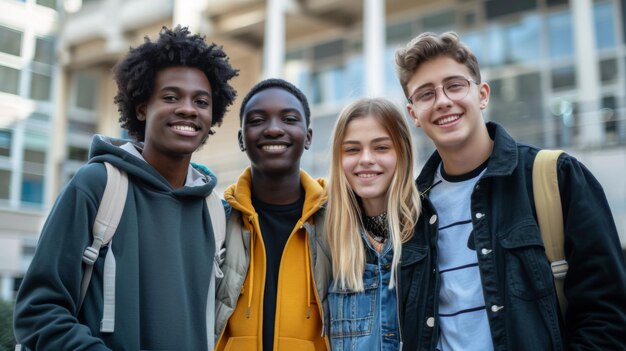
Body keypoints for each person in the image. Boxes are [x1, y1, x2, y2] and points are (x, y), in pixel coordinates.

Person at [394, 31, 626, 350]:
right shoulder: (411, 211)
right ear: (414, 115)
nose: (443, 100)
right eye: (425, 94)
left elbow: (608, 316)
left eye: (454, 85)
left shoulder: (556, 177)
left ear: (482, 94)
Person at [13, 26, 238, 350]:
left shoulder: (213, 210)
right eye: (171, 96)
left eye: (201, 101)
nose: (188, 108)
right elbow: (38, 312)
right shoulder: (97, 185)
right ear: (142, 107)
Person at [214, 78, 331, 350]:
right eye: (257, 121)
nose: (274, 129)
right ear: (242, 139)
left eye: (289, 119)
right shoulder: (217, 220)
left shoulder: (336, 221)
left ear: (309, 137)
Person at [324, 98, 421, 351]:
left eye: (381, 148)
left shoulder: (430, 230)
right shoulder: (325, 237)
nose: (366, 159)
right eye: (353, 150)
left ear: (403, 152)